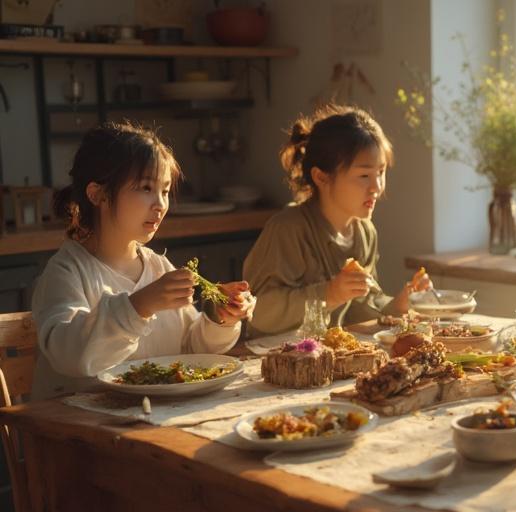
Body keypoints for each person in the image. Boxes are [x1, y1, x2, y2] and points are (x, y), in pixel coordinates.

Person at [31, 122, 254, 400]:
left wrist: (219, 317)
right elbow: (70, 355)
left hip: (151, 420)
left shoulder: (158, 267)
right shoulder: (67, 272)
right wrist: (139, 306)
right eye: (146, 188)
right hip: (79, 430)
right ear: (97, 194)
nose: (160, 204)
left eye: (165, 190)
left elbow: (190, 347)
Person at [243, 104, 430, 338]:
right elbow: (258, 311)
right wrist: (329, 293)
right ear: (321, 177)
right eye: (364, 176)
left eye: (380, 172)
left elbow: (362, 306)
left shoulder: (364, 232)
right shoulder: (289, 229)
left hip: (333, 360)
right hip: (270, 361)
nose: (377, 187)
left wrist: (400, 304)